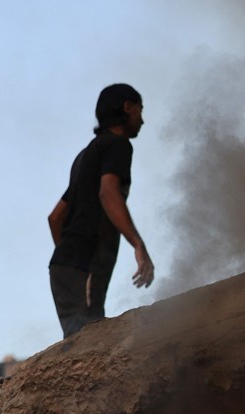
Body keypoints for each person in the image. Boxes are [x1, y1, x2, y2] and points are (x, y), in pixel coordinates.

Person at [47, 84, 154, 338]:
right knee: (90, 341)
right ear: (127, 107)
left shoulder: (86, 156)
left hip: (64, 265)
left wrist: (68, 257)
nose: (143, 120)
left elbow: (56, 217)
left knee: (79, 339)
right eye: (140, 110)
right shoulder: (118, 145)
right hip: (83, 264)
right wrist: (138, 244)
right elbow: (108, 193)